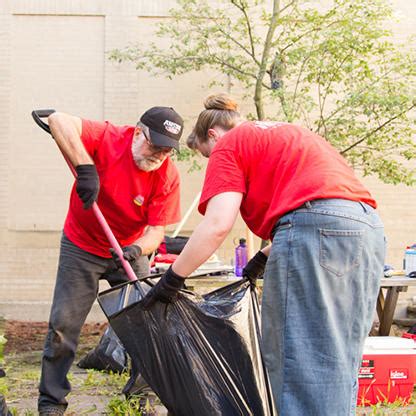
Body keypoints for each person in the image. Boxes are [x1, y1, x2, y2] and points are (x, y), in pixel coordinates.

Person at [143, 94, 385, 415]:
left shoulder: (229, 144)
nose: (210, 161)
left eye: (205, 154)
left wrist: (173, 279)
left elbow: (217, 224)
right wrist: (265, 255)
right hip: (366, 230)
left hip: (315, 228)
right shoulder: (287, 133)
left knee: (299, 357)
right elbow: (328, 204)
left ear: (212, 134)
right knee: (338, 354)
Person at [37, 106, 184, 416]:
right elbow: (57, 119)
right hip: (82, 246)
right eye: (154, 143)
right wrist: (86, 168)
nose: (158, 154)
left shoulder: (167, 175)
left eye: (166, 149)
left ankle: (140, 396)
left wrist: (136, 250)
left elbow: (157, 232)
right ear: (136, 131)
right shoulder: (107, 137)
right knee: (63, 326)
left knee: (149, 325)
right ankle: (52, 403)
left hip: (128, 250)